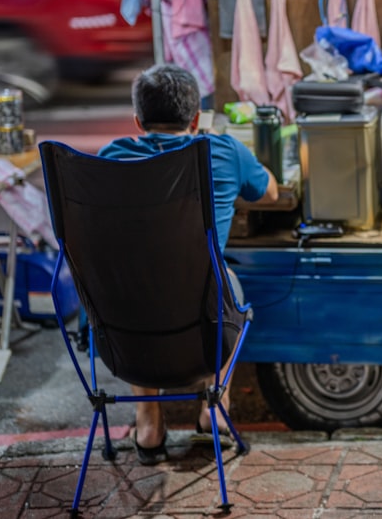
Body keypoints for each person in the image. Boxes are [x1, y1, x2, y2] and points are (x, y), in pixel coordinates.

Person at [99, 63, 278, 464]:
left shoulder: (111, 156)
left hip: (125, 318)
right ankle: (214, 410)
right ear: (197, 119)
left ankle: (147, 422)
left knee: (134, 280)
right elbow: (269, 191)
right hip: (201, 312)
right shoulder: (223, 150)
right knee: (226, 282)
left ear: (138, 121)